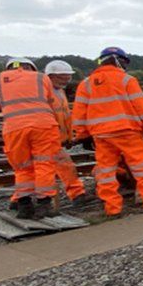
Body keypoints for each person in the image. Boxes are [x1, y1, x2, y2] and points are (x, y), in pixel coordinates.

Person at [72, 47, 143, 216]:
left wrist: (82, 134)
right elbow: (141, 106)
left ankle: (112, 208)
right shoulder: (127, 80)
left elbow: (79, 112)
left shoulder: (86, 83)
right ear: (118, 60)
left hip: (101, 135)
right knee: (141, 168)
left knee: (106, 172)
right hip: (128, 131)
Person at [0, 58, 62, 219]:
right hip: (43, 125)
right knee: (44, 163)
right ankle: (44, 205)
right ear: (31, 68)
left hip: (14, 128)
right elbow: (50, 101)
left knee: (22, 167)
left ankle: (24, 205)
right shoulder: (41, 77)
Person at [44, 60, 88, 205]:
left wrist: (69, 137)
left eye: (67, 77)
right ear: (50, 76)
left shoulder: (59, 91)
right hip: (48, 138)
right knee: (63, 166)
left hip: (57, 138)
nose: (66, 80)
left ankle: (21, 199)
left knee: (50, 168)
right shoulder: (44, 92)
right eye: (62, 77)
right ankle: (77, 195)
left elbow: (65, 117)